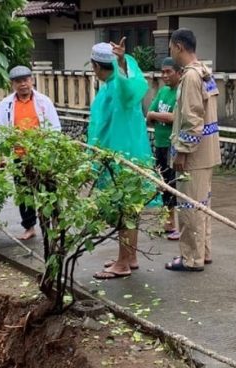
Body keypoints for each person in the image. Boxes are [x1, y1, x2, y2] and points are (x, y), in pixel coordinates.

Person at [87, 39, 152, 280]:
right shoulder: (110, 87)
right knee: (128, 211)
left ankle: (123, 262)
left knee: (124, 211)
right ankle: (128, 257)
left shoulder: (117, 87)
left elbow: (129, 86)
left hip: (120, 160)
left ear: (95, 66)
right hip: (125, 157)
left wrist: (122, 61)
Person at [166, 28, 221, 272]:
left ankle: (191, 258)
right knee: (202, 205)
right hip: (208, 151)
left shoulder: (189, 77)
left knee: (189, 207)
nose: (170, 52)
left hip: (194, 154)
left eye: (170, 47)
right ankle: (203, 252)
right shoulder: (205, 72)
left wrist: (182, 151)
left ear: (178, 46)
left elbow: (192, 118)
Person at [0, 65, 61, 240]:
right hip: (20, 156)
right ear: (12, 84)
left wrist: (51, 151)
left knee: (48, 191)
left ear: (32, 81)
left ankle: (53, 225)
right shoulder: (6, 104)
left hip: (42, 155)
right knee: (24, 193)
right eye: (18, 81)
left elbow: (55, 128)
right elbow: (1, 131)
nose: (23, 84)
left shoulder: (43, 101)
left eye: (25, 80)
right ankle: (29, 227)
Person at [147, 57, 181, 240]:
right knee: (163, 184)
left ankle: (175, 223)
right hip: (159, 144)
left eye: (169, 72)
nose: (165, 76)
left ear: (178, 72)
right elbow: (149, 115)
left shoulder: (179, 93)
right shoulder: (162, 92)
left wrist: (156, 115)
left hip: (171, 145)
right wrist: (159, 116)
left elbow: (174, 117)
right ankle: (168, 222)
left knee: (173, 184)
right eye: (163, 72)